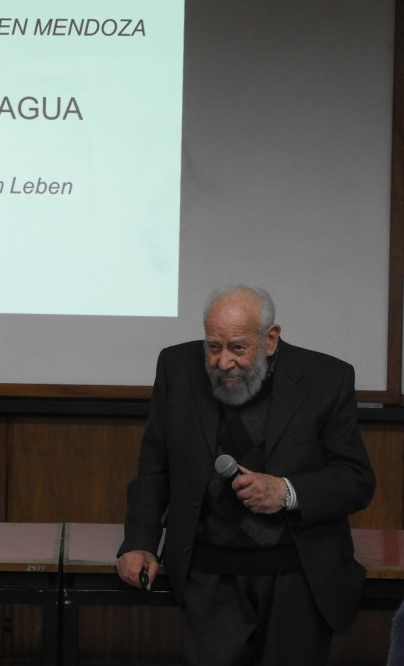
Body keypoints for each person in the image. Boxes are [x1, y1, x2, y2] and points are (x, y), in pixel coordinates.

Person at [116, 285, 375, 666]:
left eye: (238, 348)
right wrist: (139, 541)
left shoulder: (326, 378)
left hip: (297, 576)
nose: (222, 363)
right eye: (213, 347)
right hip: (207, 573)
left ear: (270, 339)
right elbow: (156, 466)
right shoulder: (177, 367)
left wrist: (286, 491)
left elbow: (356, 480)